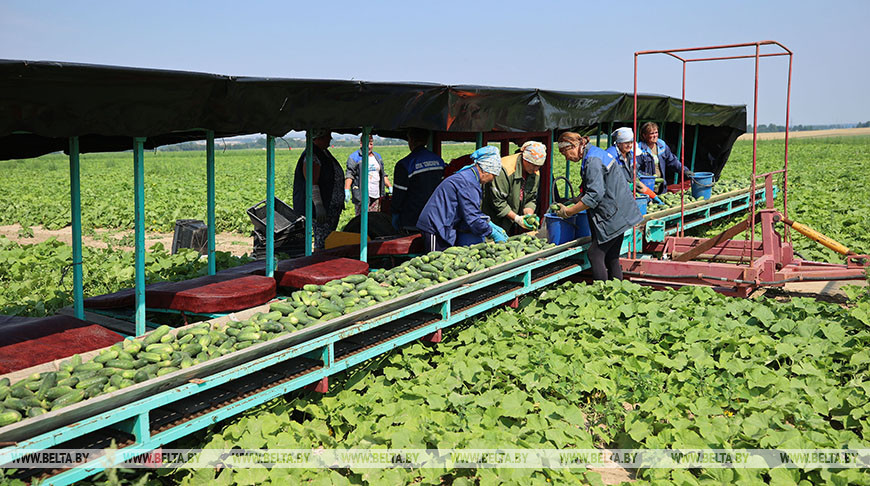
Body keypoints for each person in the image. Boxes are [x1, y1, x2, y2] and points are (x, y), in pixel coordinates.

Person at [555, 132, 643, 281]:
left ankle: (601, 294)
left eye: (566, 153)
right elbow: (598, 187)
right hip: (621, 212)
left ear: (574, 146)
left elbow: (594, 196)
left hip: (613, 215)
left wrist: (569, 211)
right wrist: (577, 199)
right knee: (612, 256)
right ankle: (616, 291)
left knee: (595, 254)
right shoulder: (594, 153)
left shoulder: (592, 160)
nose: (567, 158)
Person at [416, 146, 509, 253]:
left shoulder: (470, 176)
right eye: (494, 176)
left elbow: (470, 210)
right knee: (436, 259)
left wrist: (487, 222)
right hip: (435, 225)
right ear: (486, 171)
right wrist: (491, 231)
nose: (492, 180)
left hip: (446, 223)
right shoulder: (468, 182)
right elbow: (472, 218)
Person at [292, 129, 344, 250]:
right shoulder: (311, 156)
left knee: (328, 238)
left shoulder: (323, 152)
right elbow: (312, 183)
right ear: (318, 138)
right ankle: (320, 260)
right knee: (323, 240)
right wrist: (319, 205)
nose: (330, 139)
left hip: (330, 206)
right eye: (328, 136)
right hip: (322, 208)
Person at [482, 141, 546, 233]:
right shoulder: (504, 169)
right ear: (525, 159)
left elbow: (531, 198)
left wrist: (529, 213)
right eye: (534, 165)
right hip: (493, 218)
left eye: (539, 166)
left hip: (510, 219)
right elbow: (498, 202)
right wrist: (517, 218)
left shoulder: (535, 172)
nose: (536, 169)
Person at [391, 128, 446, 231]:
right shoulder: (439, 161)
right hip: (435, 215)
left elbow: (399, 195)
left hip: (413, 218)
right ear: (426, 141)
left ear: (411, 140)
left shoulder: (405, 164)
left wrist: (394, 214)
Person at [606, 127, 663, 205]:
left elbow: (636, 182)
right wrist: (629, 186)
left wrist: (653, 196)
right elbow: (607, 181)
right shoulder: (610, 156)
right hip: (611, 199)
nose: (629, 145)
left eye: (631, 142)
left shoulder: (630, 155)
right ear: (618, 143)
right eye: (626, 143)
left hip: (624, 197)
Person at [636, 122, 693, 193]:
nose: (655, 135)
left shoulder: (661, 145)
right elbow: (635, 169)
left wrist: (685, 170)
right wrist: (646, 177)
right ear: (644, 135)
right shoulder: (639, 149)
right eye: (652, 133)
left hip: (661, 186)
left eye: (656, 132)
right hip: (646, 186)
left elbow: (672, 161)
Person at [344, 135, 392, 215]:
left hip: (376, 194)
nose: (369, 147)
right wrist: (347, 189)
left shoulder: (377, 157)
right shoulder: (354, 157)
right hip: (362, 196)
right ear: (361, 144)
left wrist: (389, 186)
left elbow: (383, 174)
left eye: (371, 144)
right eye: (366, 144)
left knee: (374, 220)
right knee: (361, 220)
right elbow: (350, 175)